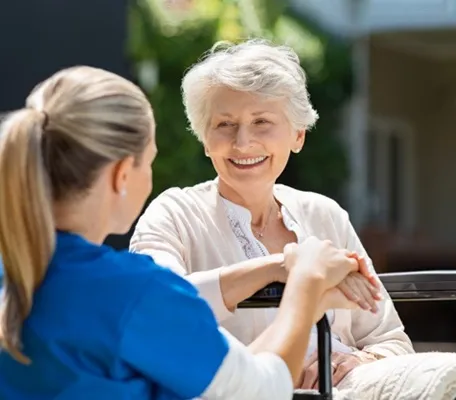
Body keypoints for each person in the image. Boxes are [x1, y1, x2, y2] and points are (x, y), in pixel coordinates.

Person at [0, 65, 371, 399]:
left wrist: (278, 270)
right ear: (122, 174)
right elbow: (264, 390)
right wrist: (306, 284)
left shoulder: (19, 273)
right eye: (151, 161)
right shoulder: (135, 293)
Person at [130, 39, 414, 389]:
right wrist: (283, 267)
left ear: (298, 135)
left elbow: (392, 341)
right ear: (205, 139)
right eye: (224, 125)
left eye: (261, 122)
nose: (243, 142)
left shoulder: (325, 215)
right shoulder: (173, 214)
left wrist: (357, 360)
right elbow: (157, 309)